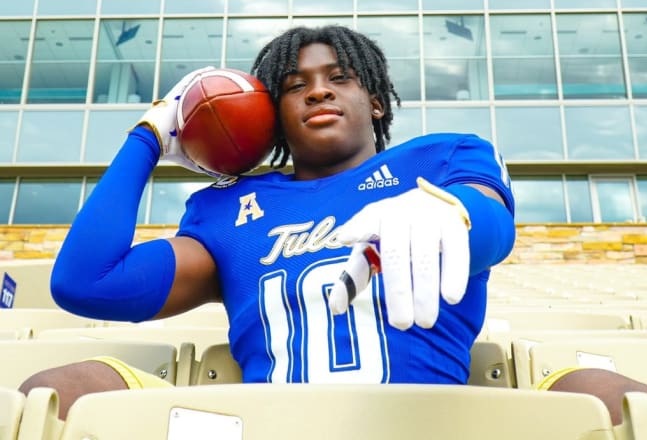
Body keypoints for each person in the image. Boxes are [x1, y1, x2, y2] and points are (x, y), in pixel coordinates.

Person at [20, 24, 518, 420]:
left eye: (340, 78)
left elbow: (492, 225)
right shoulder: (229, 207)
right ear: (273, 117)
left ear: (377, 101)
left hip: (427, 424)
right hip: (266, 424)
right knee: (67, 389)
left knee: (593, 388)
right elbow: (86, 283)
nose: (319, 92)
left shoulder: (442, 161)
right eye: (295, 86)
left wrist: (453, 215)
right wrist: (148, 137)